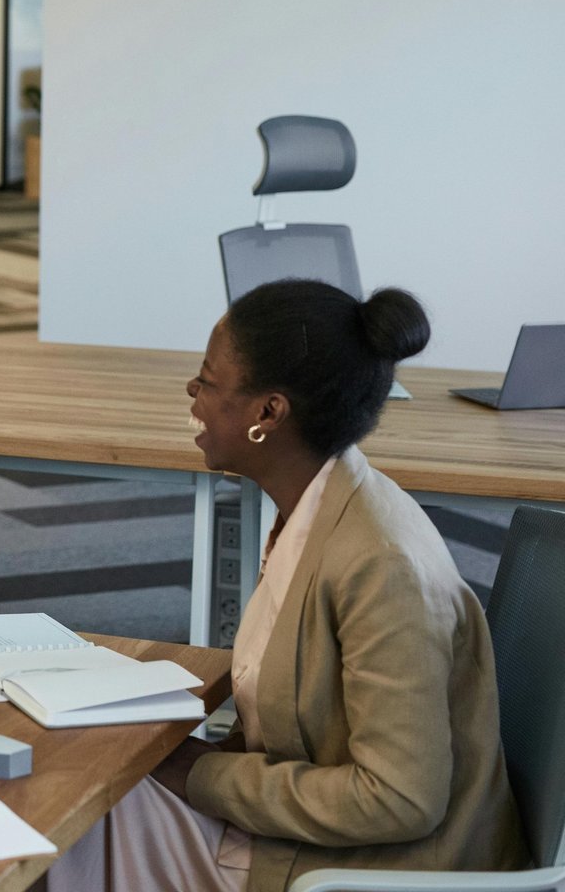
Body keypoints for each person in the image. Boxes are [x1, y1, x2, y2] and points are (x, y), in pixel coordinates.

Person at [49, 280, 528, 891]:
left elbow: (400, 801)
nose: (192, 396)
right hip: (309, 832)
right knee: (79, 783)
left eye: (208, 382)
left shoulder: (379, 566)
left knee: (61, 821)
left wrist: (202, 776)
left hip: (376, 871)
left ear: (268, 413)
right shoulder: (318, 506)